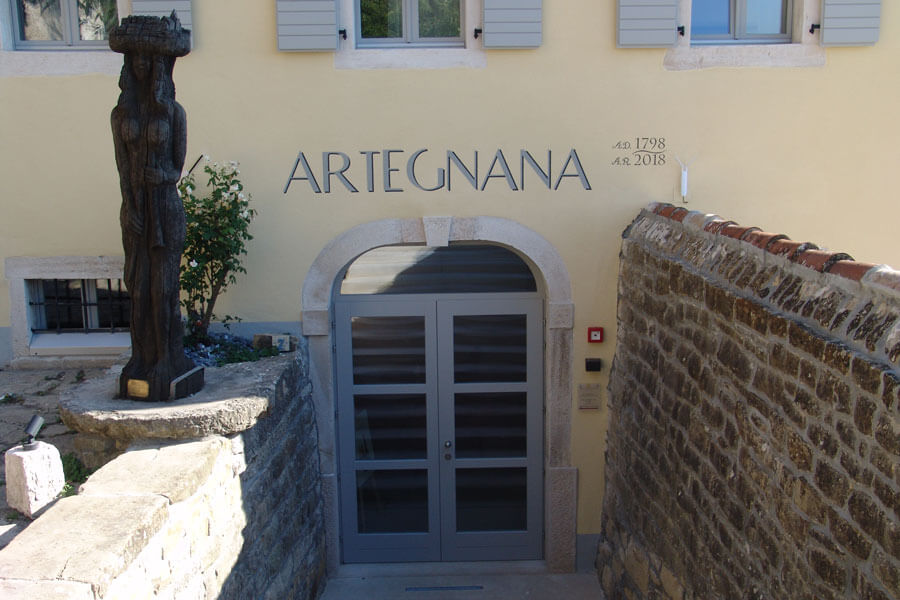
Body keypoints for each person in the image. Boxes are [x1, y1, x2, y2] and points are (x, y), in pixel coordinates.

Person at [110, 14, 197, 401]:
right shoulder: (121, 115)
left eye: (149, 59)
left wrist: (159, 176)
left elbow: (177, 168)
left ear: (161, 66)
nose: (143, 66)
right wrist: (130, 204)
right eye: (137, 59)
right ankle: (141, 360)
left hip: (165, 205)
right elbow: (120, 166)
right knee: (139, 285)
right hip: (136, 209)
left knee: (164, 288)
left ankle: (168, 359)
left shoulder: (173, 114)